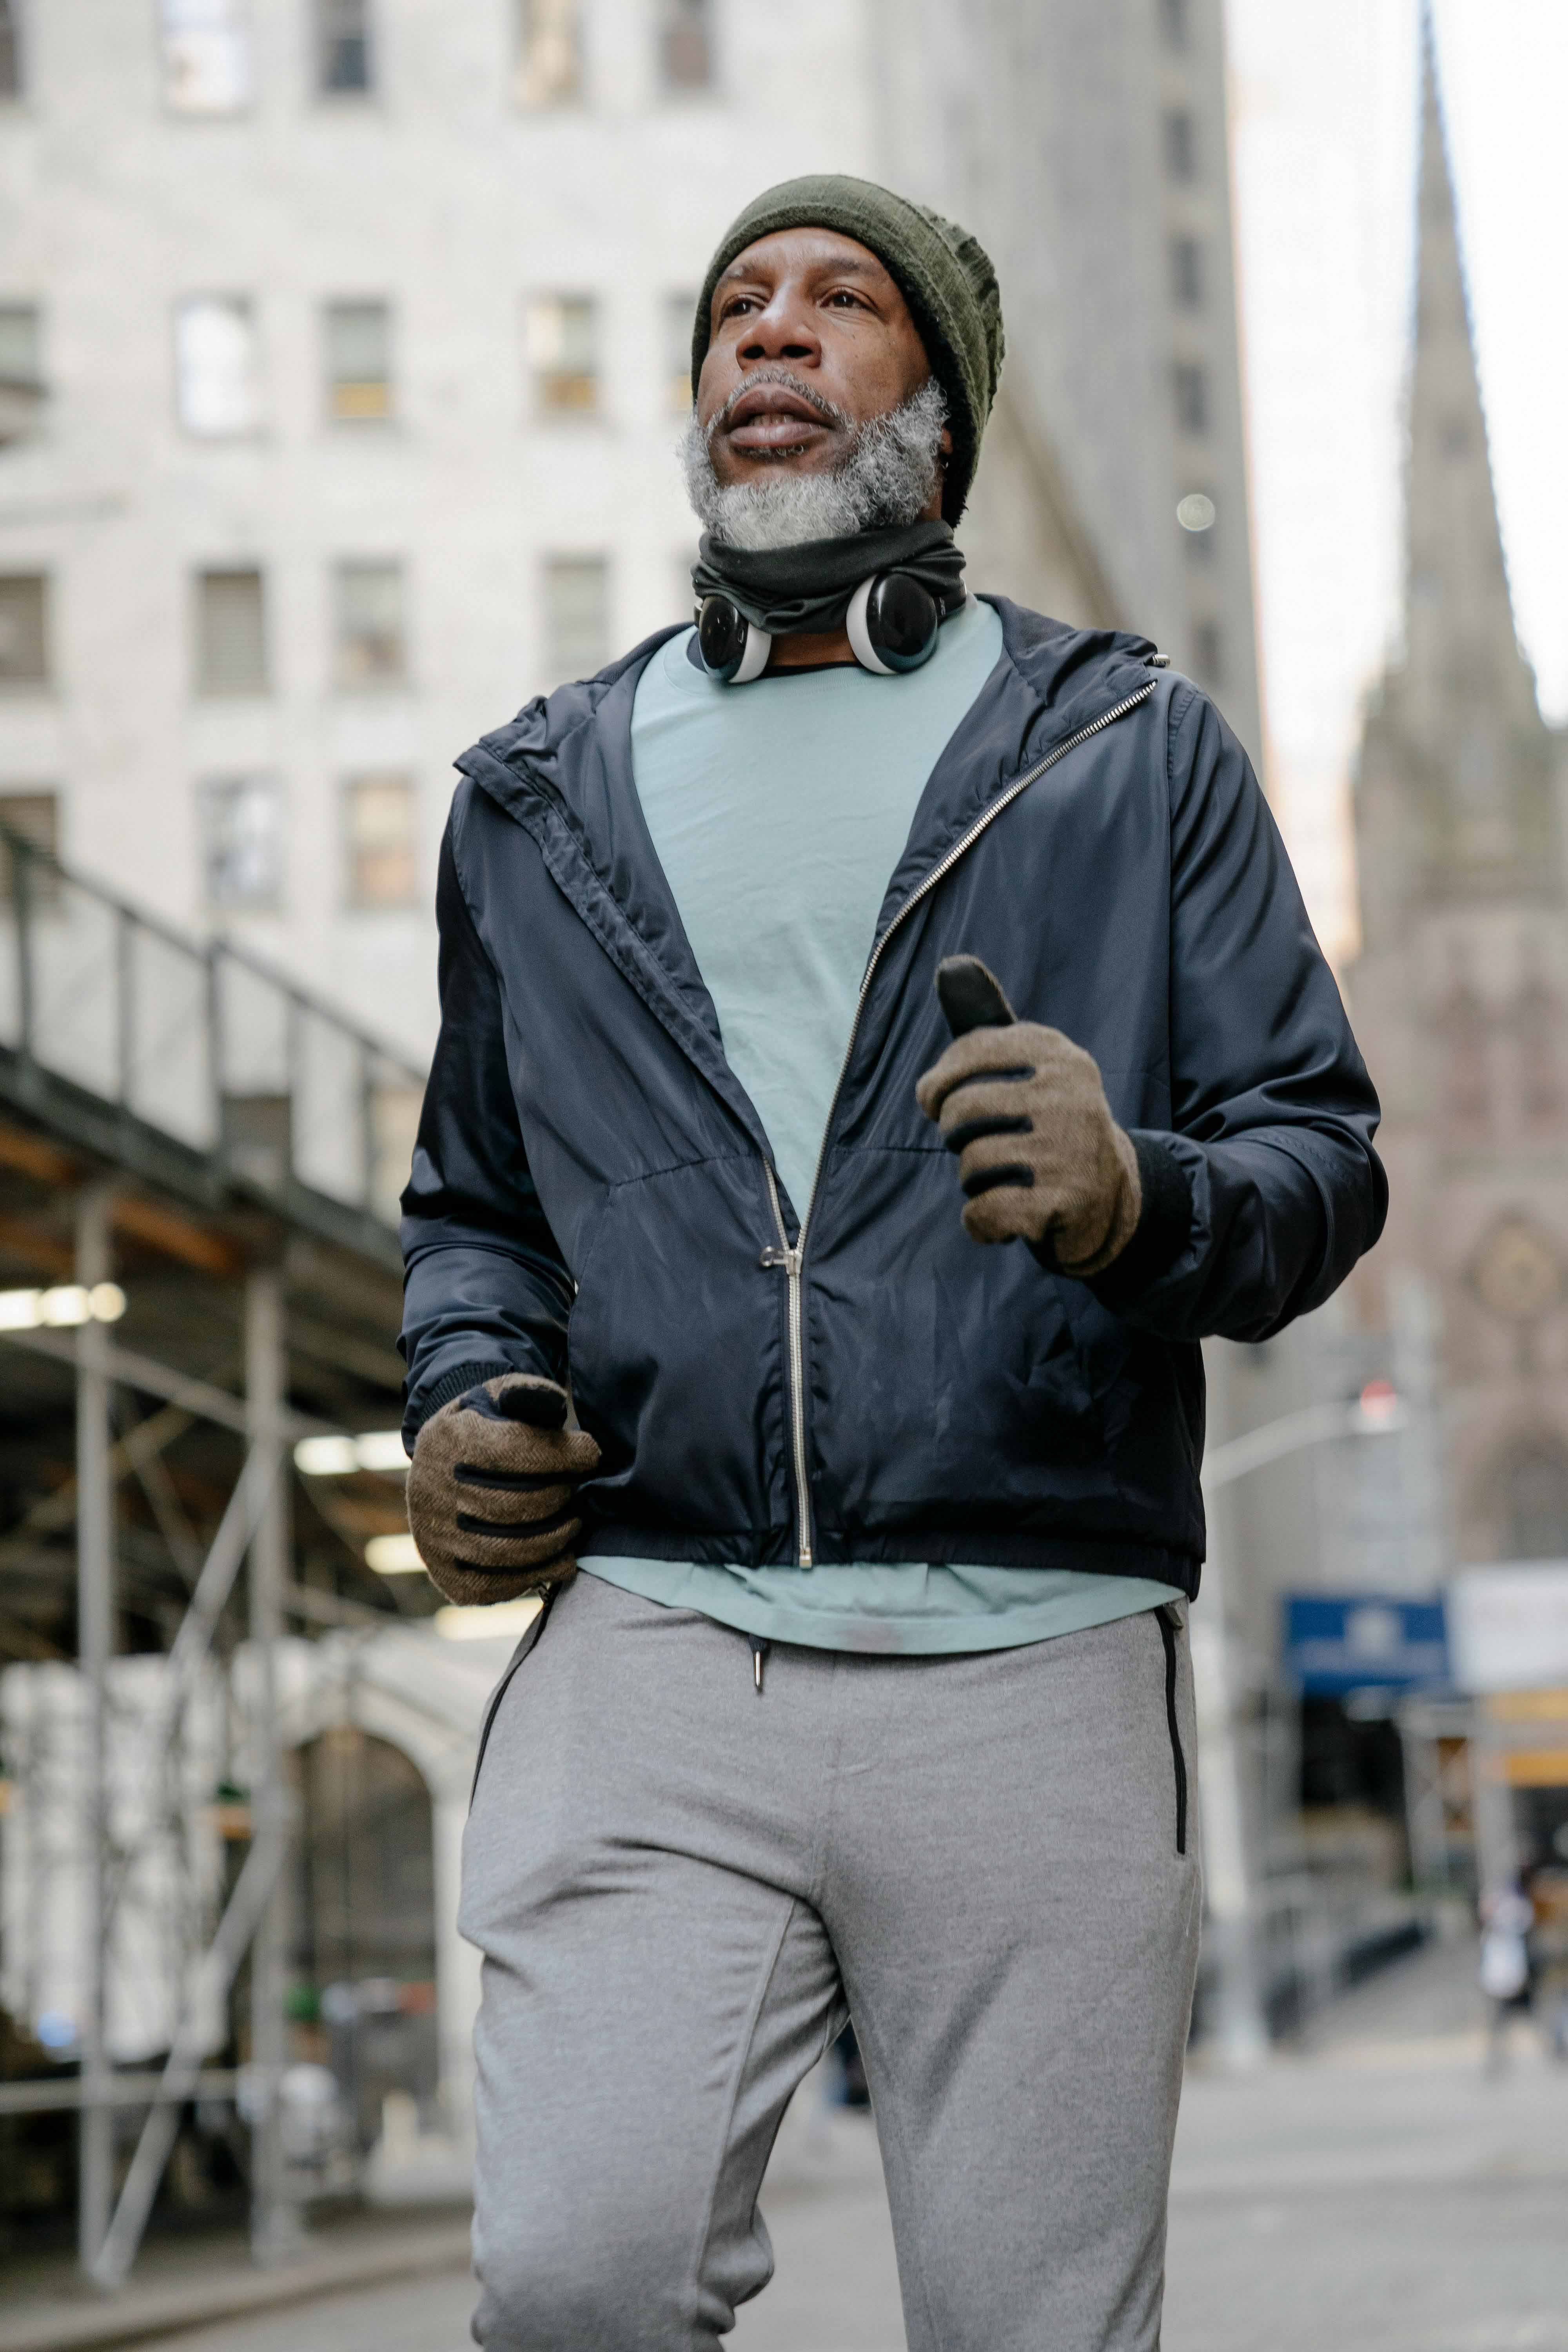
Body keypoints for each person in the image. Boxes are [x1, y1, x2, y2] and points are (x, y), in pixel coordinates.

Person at [399, 176, 1387, 2352]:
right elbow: (473, 1205)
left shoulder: (1129, 749)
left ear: (937, 418)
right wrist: (461, 1395)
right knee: (571, 2282)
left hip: (1031, 1641)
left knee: (1041, 2327)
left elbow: (1321, 1158)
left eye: (840, 304)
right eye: (735, 305)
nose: (771, 333)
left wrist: (1142, 1194)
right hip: (657, 1630)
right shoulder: (534, 798)